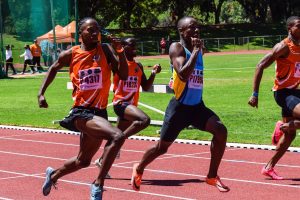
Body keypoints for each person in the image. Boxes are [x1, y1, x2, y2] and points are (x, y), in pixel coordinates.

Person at [131, 16, 230, 192]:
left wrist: (198, 49)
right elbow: (183, 74)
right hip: (179, 108)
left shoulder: (197, 49)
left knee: (221, 130)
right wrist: (196, 50)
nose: (196, 30)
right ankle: (138, 168)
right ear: (181, 31)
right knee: (161, 148)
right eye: (191, 28)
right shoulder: (177, 48)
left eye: (197, 27)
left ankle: (212, 176)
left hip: (197, 107)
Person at [37, 17, 128, 200]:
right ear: (81, 35)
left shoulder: (105, 50)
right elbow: (53, 68)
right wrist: (41, 93)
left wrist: (120, 51)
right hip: (81, 112)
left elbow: (124, 74)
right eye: (90, 30)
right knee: (117, 136)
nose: (95, 33)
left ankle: (53, 175)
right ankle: (98, 184)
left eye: (97, 30)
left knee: (83, 161)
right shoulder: (71, 53)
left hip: (100, 112)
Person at [94, 37, 161, 175]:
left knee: (116, 137)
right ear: (123, 47)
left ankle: (101, 160)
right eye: (132, 45)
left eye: (136, 44)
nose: (135, 46)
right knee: (144, 120)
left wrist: (153, 73)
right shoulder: (118, 64)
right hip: (121, 103)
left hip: (131, 106)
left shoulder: (139, 66)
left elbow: (146, 87)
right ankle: (120, 139)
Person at [248, 16, 300, 180]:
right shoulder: (283, 47)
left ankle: (268, 167)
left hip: (295, 92)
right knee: (290, 129)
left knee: (291, 135)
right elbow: (260, 65)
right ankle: (282, 126)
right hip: (283, 93)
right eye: (299, 25)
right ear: (290, 28)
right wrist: (255, 94)